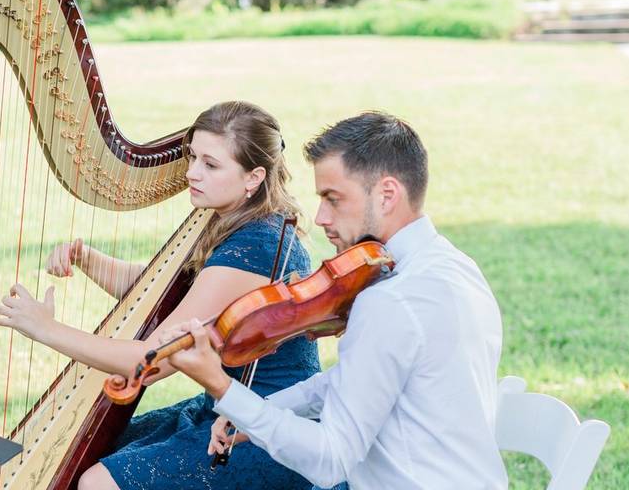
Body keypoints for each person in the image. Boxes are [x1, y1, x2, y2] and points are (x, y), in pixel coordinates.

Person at [0, 101, 320, 490]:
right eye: (192, 158)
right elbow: (173, 292)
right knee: (86, 453)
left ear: (253, 177)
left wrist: (46, 329)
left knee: (97, 482)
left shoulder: (255, 248)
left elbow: (150, 362)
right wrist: (89, 260)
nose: (192, 173)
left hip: (264, 431)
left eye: (210, 165)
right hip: (226, 412)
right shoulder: (245, 220)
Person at [163, 111, 507, 490]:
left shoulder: (391, 300)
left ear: (387, 195)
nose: (321, 217)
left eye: (333, 199)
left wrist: (222, 387)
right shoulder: (453, 265)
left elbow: (330, 460)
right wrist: (261, 409)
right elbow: (347, 382)